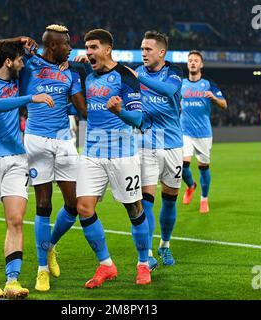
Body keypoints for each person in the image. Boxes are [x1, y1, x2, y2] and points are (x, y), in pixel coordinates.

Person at [0, 26, 87, 292]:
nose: (71, 47)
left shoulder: (69, 70)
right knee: (42, 205)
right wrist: (13, 39)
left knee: (75, 205)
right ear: (52, 46)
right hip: (34, 141)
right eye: (67, 43)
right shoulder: (26, 65)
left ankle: (50, 246)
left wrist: (86, 71)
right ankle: (39, 271)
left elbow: (79, 108)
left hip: (62, 140)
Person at [0, 39, 54, 298]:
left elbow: (44, 60)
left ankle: (12, 280)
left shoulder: (19, 80)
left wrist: (24, 45)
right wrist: (31, 98)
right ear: (8, 61)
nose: (23, 62)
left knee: (16, 220)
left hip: (17, 159)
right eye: (18, 58)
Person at [75, 29, 151, 288]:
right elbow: (77, 64)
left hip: (123, 156)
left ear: (108, 49)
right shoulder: (88, 74)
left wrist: (119, 111)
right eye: (86, 47)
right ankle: (106, 265)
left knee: (134, 209)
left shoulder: (126, 76)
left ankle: (143, 263)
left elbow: (138, 119)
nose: (88, 52)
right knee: (84, 208)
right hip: (92, 155)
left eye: (93, 47)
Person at [126, 31, 183, 269]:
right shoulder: (136, 73)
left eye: (148, 49)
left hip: (173, 145)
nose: (143, 53)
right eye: (141, 49)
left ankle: (165, 245)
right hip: (146, 144)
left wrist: (137, 77)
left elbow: (168, 91)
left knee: (170, 201)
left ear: (161, 52)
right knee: (145, 202)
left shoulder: (174, 73)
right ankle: (147, 255)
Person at [180, 50, 227, 214]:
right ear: (188, 64)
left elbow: (224, 104)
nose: (192, 63)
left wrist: (213, 98)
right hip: (184, 132)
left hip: (204, 133)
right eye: (190, 60)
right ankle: (191, 185)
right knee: (182, 164)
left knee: (203, 167)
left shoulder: (208, 84)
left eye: (196, 61)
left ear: (201, 65)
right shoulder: (180, 84)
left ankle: (204, 199)